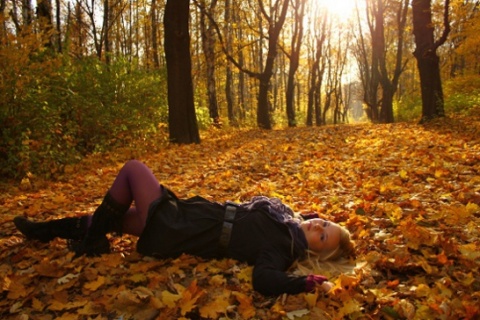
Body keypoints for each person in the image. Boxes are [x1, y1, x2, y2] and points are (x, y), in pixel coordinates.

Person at [13, 160, 354, 296]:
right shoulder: (289, 222)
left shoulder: (281, 248)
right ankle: (45, 231)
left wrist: (303, 284)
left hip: (180, 228)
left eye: (323, 236)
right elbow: (291, 215)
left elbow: (264, 278)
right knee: (114, 216)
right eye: (324, 222)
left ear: (315, 253)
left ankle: (91, 242)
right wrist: (308, 219)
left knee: (133, 170)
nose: (318, 225)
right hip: (186, 219)